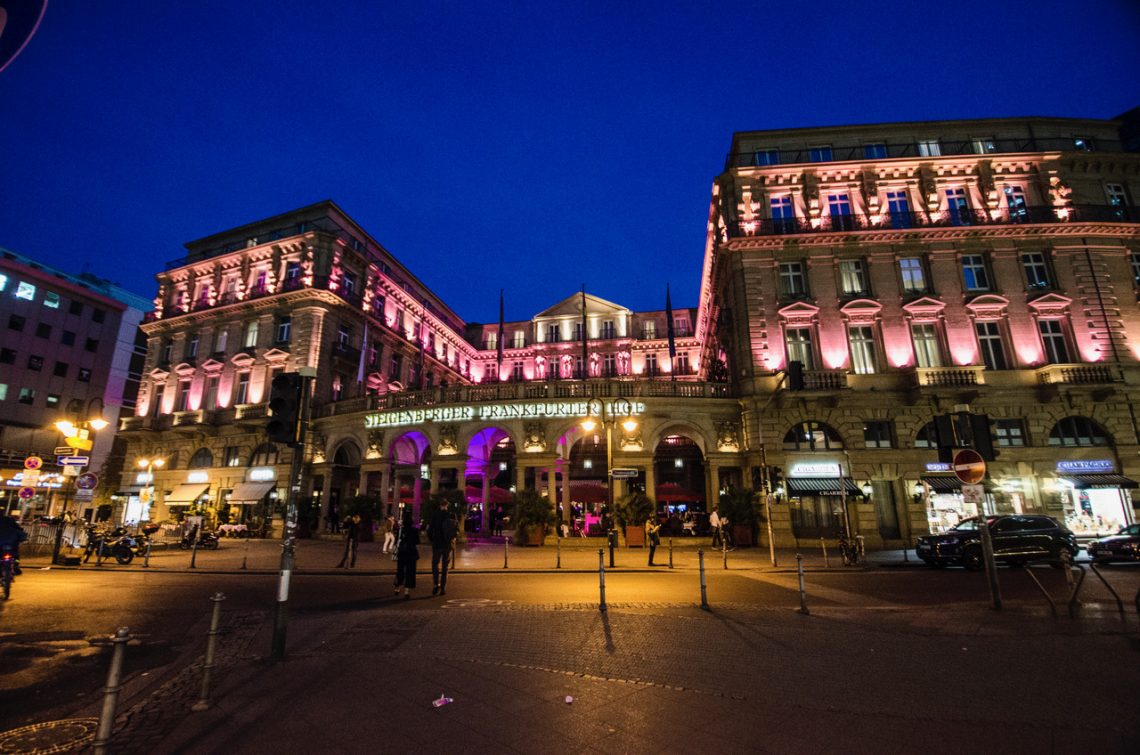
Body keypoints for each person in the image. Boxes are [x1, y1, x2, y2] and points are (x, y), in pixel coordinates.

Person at [427, 505, 457, 596]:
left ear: (440, 506)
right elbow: (456, 531)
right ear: (447, 506)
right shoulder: (451, 515)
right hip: (447, 544)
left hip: (437, 544)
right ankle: (443, 588)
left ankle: (436, 584)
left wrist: (432, 540)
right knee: (445, 566)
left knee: (435, 564)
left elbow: (429, 531)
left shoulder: (435, 515)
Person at [394, 510, 419, 599]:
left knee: (400, 569)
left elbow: (396, 541)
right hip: (411, 552)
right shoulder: (414, 530)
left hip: (402, 552)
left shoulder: (400, 530)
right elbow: (417, 541)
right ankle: (406, 591)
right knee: (410, 572)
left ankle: (397, 587)